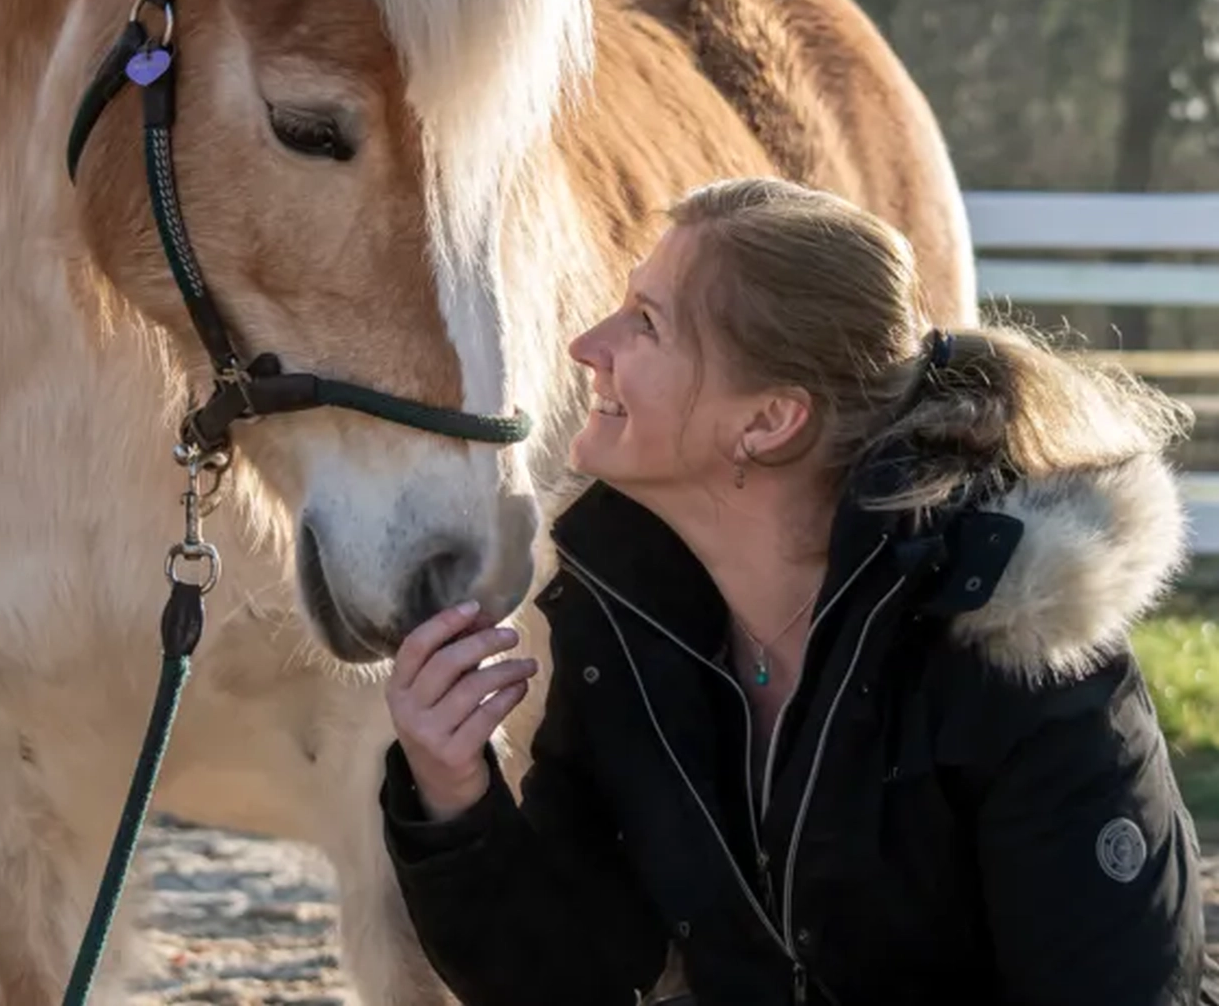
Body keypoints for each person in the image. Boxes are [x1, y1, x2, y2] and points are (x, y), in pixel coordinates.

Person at [377, 176, 1217, 1006]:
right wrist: (453, 796)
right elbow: (570, 974)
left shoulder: (1014, 648)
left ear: (768, 422)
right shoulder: (628, 618)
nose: (587, 346)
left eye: (646, 324)